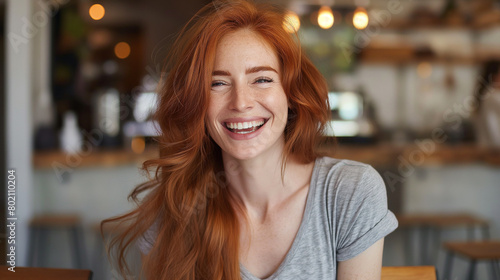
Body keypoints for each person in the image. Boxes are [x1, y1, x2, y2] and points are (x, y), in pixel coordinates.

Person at [103, 1, 398, 279]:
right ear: (196, 104)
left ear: (291, 94)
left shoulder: (349, 193)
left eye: (262, 79)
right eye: (218, 83)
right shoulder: (174, 210)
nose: (241, 102)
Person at [474, 59, 500, 148]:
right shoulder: (492, 97)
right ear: (494, 76)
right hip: (493, 151)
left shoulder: (487, 95)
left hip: (489, 148)